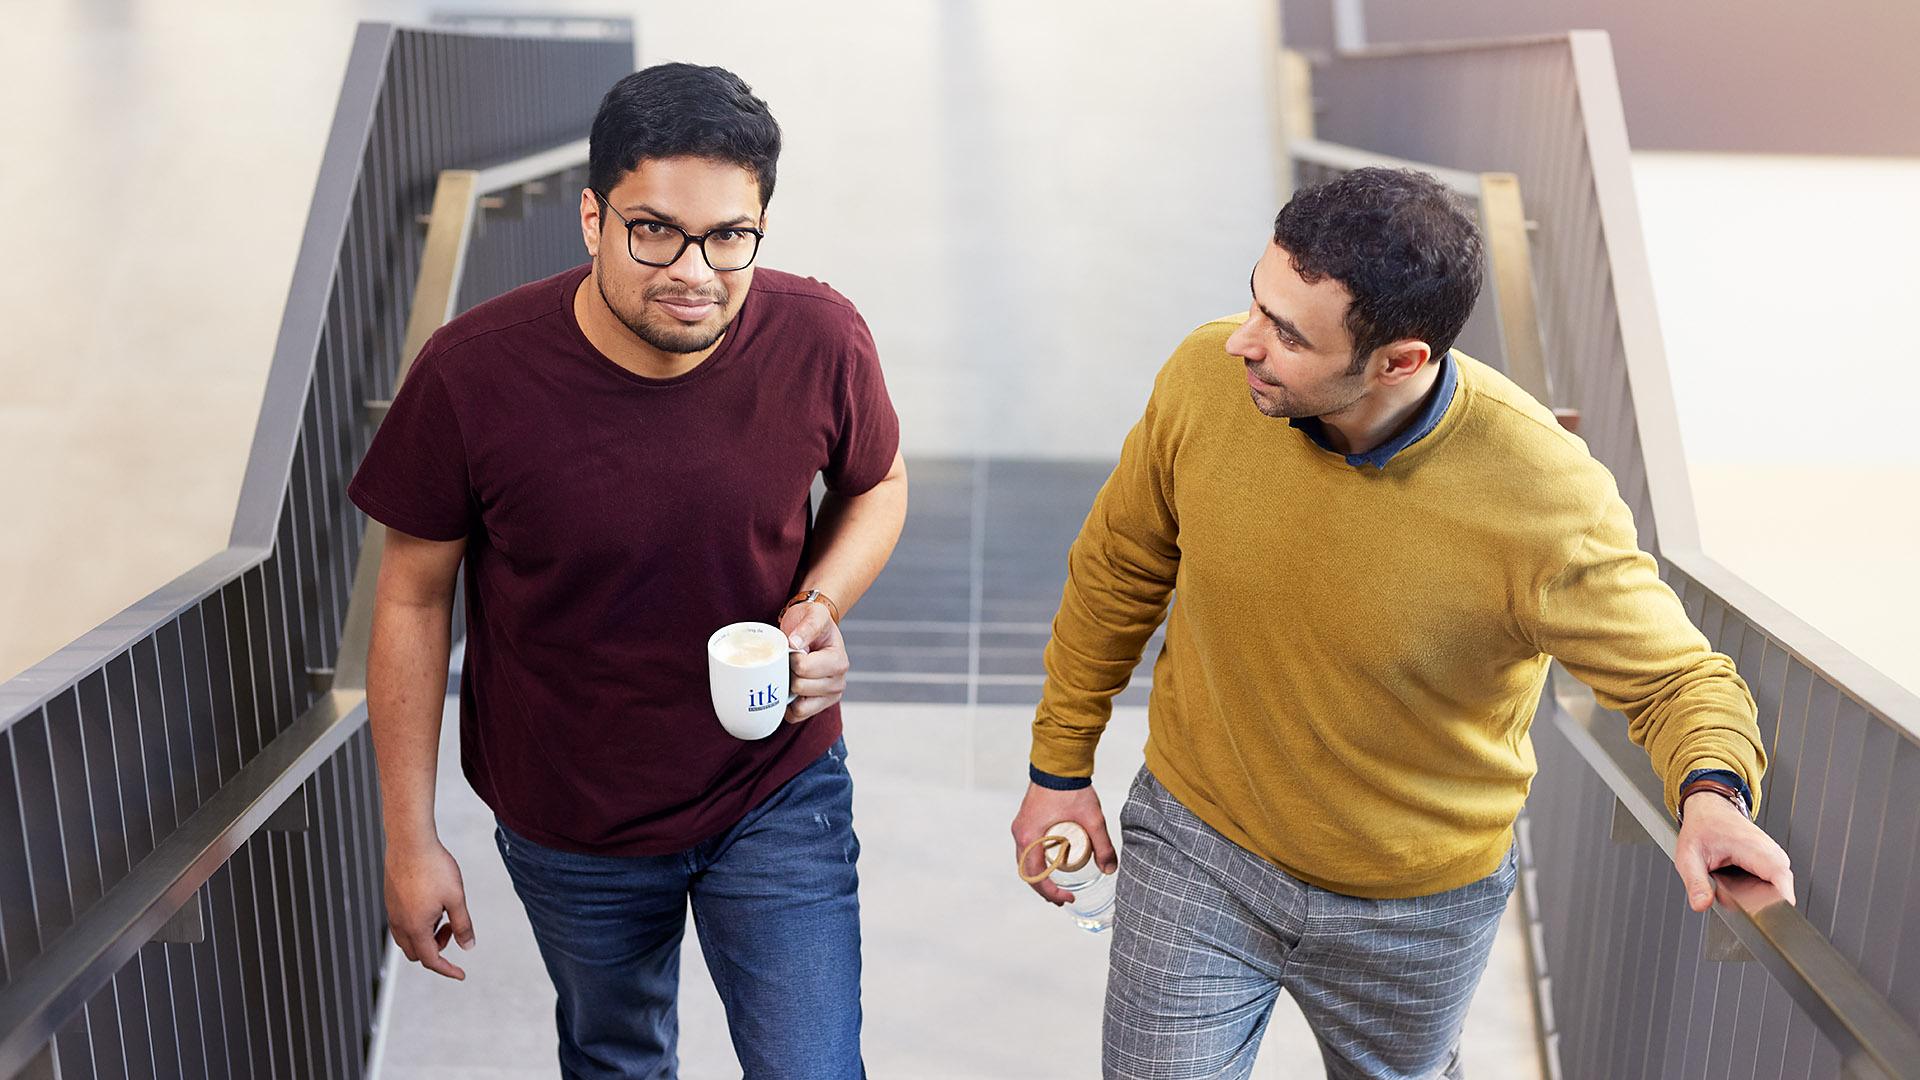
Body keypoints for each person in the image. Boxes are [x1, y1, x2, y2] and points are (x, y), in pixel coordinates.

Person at [1009, 167, 1792, 1079]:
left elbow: (1676, 680)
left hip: (1417, 907)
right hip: (1200, 845)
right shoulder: (1204, 377)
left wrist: (1713, 796)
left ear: (1399, 360)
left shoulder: (1540, 492)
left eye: (1288, 335)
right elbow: (1118, 571)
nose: (1244, 345)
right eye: (1254, 303)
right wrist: (1057, 769)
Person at [350, 63, 905, 1079]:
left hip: (775, 784)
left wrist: (818, 606)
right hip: (572, 816)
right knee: (617, 1058)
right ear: (592, 217)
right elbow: (411, 596)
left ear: (760, 225)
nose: (694, 269)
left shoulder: (820, 336)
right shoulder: (472, 374)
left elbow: (878, 483)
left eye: (730, 236)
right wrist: (410, 837)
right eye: (655, 229)